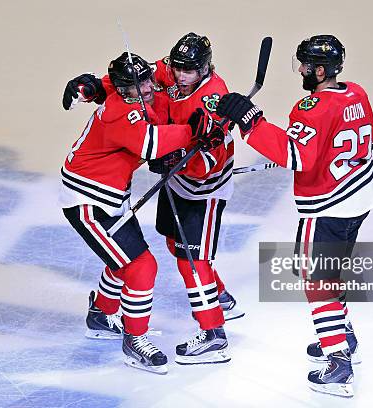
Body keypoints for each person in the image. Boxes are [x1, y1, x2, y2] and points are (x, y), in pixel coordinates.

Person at [216, 35, 373, 397]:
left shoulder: (311, 107)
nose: (303, 72)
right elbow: (338, 139)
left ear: (320, 70)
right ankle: (344, 335)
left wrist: (251, 123)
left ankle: (339, 364)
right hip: (361, 196)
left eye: (306, 66)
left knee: (316, 280)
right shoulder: (356, 93)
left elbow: (296, 156)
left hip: (329, 204)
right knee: (329, 270)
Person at [62, 33, 243, 366]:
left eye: (188, 69)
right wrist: (98, 86)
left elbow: (208, 162)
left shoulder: (208, 96)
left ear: (204, 67)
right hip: (92, 197)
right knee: (146, 261)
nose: (169, 78)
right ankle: (133, 336)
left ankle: (214, 329)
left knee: (187, 257)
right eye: (175, 68)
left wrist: (194, 154)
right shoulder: (126, 108)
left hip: (201, 188)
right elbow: (152, 144)